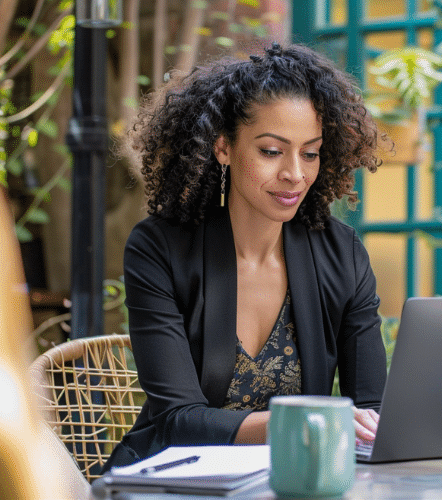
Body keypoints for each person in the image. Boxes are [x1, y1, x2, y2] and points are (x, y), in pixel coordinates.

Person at [104, 43, 388, 470]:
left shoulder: (342, 255)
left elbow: (371, 408)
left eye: (309, 153)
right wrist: (307, 422)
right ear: (223, 148)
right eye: (272, 151)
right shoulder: (160, 249)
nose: (295, 173)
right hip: (172, 482)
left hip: (291, 483)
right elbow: (178, 421)